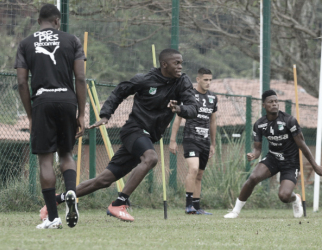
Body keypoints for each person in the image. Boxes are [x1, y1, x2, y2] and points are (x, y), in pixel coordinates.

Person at [40, 48, 199, 222]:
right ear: (164, 64)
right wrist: (105, 115)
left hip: (148, 136)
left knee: (103, 180)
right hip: (134, 130)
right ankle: (119, 203)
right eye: (176, 63)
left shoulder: (182, 82)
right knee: (151, 158)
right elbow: (120, 91)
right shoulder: (144, 80)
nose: (180, 67)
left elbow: (193, 109)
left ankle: (55, 201)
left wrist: (179, 109)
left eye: (181, 63)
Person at [14, 4, 86, 229]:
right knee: (66, 154)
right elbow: (81, 78)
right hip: (67, 101)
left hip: (42, 102)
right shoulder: (72, 40)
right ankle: (71, 192)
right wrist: (81, 113)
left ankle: (53, 218)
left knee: (45, 159)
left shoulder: (26, 43)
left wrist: (30, 114)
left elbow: (21, 82)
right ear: (58, 21)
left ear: (39, 21)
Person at [224, 89, 322, 219]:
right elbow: (257, 148)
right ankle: (235, 211)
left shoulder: (289, 120)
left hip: (291, 162)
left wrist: (315, 166)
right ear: (264, 105)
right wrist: (254, 154)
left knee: (284, 196)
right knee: (253, 178)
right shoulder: (259, 124)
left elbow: (302, 145)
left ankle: (295, 199)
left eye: (276, 101)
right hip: (273, 158)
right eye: (271, 102)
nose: (274, 104)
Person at [169, 68, 217, 215]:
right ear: (198, 79)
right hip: (190, 139)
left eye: (210, 80)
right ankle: (188, 205)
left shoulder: (213, 98)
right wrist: (172, 140)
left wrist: (213, 144)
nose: (208, 83)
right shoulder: (190, 96)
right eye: (205, 80)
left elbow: (213, 121)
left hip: (205, 141)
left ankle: (196, 207)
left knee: (200, 175)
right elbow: (178, 117)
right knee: (194, 169)